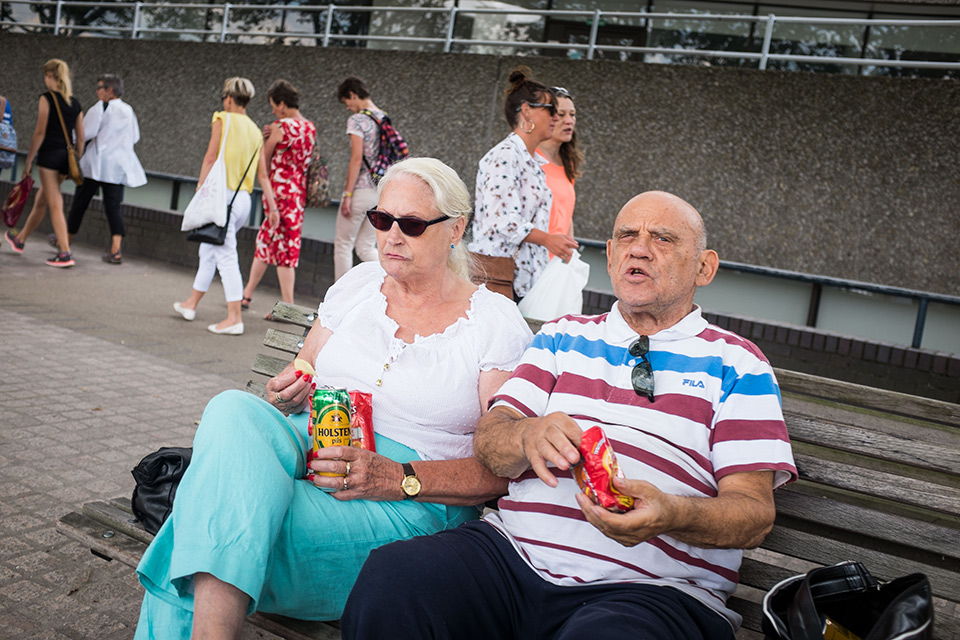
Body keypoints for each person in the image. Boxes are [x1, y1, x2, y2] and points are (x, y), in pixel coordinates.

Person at [342, 190, 799, 640]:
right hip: (513, 558)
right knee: (394, 577)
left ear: (705, 267)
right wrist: (525, 437)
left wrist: (672, 514)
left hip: (652, 592)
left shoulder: (738, 364)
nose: (638, 248)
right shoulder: (562, 337)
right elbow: (491, 440)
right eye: (626, 236)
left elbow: (753, 513)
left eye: (662, 238)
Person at [134, 157, 534, 639]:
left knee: (204, 519)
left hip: (408, 500)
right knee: (232, 408)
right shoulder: (361, 284)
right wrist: (293, 384)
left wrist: (396, 476)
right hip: (313, 446)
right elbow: (305, 364)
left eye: (410, 224)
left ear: (456, 229)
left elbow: (501, 467)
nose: (391, 236)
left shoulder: (493, 322)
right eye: (382, 220)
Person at [467, 65, 578, 300]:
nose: (557, 117)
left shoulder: (532, 161)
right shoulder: (505, 154)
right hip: (497, 277)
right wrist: (548, 239)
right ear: (527, 111)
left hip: (523, 280)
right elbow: (501, 219)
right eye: (551, 110)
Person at [172, 77, 261, 336]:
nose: (223, 101)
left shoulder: (223, 118)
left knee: (225, 256)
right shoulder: (256, 130)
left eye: (224, 97)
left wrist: (201, 187)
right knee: (209, 251)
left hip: (222, 197)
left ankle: (234, 318)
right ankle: (191, 304)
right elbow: (259, 172)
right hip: (243, 199)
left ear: (230, 98)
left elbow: (210, 156)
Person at [240, 79, 316, 314]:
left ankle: (288, 308)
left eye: (274, 106)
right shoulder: (310, 127)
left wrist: (267, 137)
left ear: (282, 105)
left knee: (283, 251)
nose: (273, 111)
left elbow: (264, 158)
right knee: (267, 242)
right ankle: (246, 295)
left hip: (279, 196)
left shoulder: (281, 126)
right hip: (296, 196)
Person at [58, 74, 147, 264]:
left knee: (80, 203)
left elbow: (85, 132)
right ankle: (116, 250)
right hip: (117, 168)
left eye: (99, 87)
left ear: (110, 90)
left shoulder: (101, 107)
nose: (96, 91)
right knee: (113, 207)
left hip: (96, 164)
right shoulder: (128, 110)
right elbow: (135, 137)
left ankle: (65, 242)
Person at [4, 59, 84, 267]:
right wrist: (75, 162)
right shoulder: (75, 104)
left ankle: (65, 253)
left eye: (45, 76)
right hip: (66, 159)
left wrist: (29, 159)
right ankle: (20, 239)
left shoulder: (46, 98)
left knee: (55, 204)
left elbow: (40, 132)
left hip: (49, 157)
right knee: (42, 200)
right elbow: (81, 139)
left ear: (50, 76)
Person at [332, 75, 384, 281]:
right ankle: (390, 280)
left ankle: (341, 298)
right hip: (379, 192)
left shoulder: (358, 120)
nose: (348, 108)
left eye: (347, 102)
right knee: (365, 246)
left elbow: (356, 159)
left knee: (343, 244)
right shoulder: (383, 117)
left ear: (353, 95)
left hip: (361, 190)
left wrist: (347, 194)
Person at [535, 86, 583, 245]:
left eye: (573, 115)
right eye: (561, 114)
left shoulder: (567, 162)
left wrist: (571, 253)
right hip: (530, 261)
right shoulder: (529, 159)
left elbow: (566, 216)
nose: (569, 120)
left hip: (556, 263)